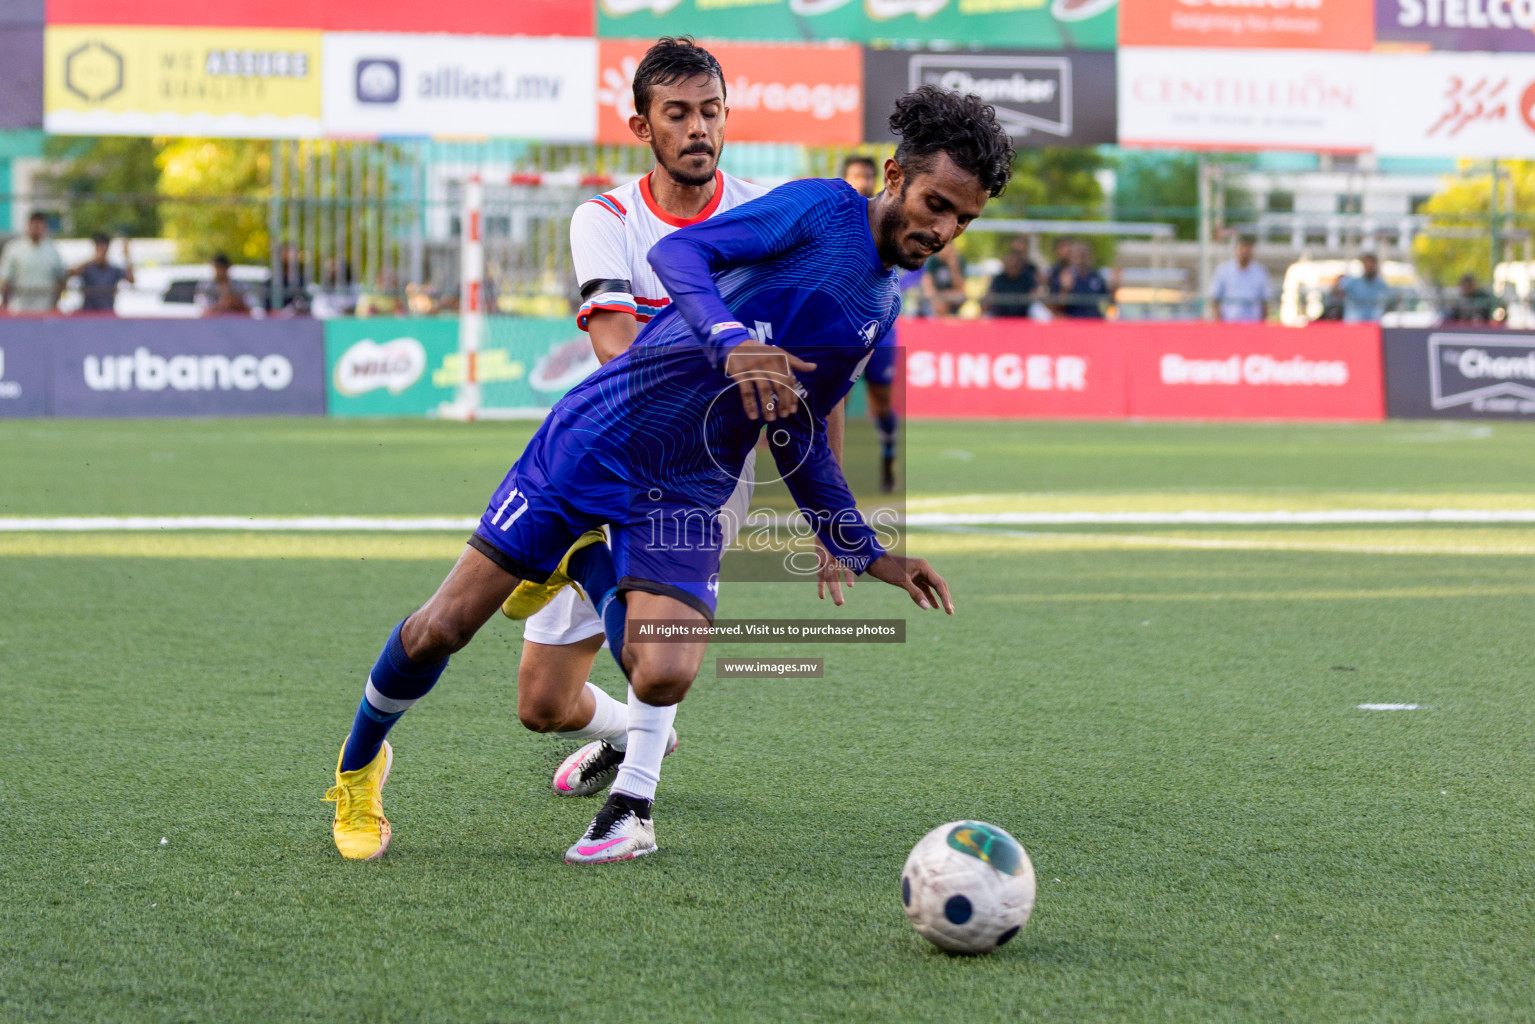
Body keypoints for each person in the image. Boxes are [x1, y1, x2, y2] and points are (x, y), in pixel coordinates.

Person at [323, 84, 1011, 865]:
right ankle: (357, 769)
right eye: (935, 203)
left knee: (663, 675)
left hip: (685, 486)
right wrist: (728, 340)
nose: (943, 229)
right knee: (441, 628)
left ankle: (583, 562)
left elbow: (802, 431)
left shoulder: (880, 306)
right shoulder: (822, 209)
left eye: (963, 219)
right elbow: (677, 253)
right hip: (601, 438)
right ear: (892, 175)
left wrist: (864, 549)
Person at [493, 37, 774, 803]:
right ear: (641, 127)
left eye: (710, 112)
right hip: (614, 449)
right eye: (677, 114)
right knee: (543, 706)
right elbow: (615, 344)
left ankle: (635, 801)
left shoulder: (763, 218)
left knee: (658, 648)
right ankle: (637, 730)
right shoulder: (606, 217)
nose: (697, 130)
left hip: (710, 464)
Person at [842, 153, 901, 492]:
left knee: (881, 403)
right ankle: (835, 471)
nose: (862, 182)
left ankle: (889, 454)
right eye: (855, 176)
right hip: (843, 334)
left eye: (866, 176)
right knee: (836, 403)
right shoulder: (836, 221)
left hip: (881, 335)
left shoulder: (887, 219)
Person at [0, 212, 67, 314]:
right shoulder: (14, 249)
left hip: (45, 310)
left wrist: (55, 304)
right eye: (33, 223)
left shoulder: (52, 251)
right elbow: (5, 280)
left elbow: (61, 279)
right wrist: (4, 305)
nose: (36, 227)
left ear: (45, 226)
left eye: (39, 224)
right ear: (27, 225)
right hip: (18, 309)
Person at [1209, 237, 1269, 323]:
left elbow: (1265, 301)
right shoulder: (1223, 271)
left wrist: (1263, 324)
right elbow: (1215, 299)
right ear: (1236, 249)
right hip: (1229, 323)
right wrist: (1219, 322)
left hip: (1253, 323)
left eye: (1248, 248)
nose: (1245, 251)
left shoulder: (1260, 272)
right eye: (1242, 247)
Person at [71, 233, 134, 314]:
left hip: (106, 316)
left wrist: (127, 256)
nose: (101, 253)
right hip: (88, 315)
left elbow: (131, 279)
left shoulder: (113, 270)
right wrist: (92, 260)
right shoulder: (88, 268)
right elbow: (71, 273)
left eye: (103, 249)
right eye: (99, 249)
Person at [983, 236, 1040, 318]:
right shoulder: (999, 279)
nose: (1012, 266)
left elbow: (1035, 297)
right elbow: (988, 298)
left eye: (1015, 264)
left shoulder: (1027, 277)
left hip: (1024, 316)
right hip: (1001, 316)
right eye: (1010, 263)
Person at [1056, 241, 1109, 319]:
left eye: (1084, 253)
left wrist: (1115, 285)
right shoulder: (1063, 275)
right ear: (1070, 256)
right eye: (1078, 253)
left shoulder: (1097, 276)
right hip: (1073, 321)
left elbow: (1108, 302)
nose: (1081, 256)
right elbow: (1056, 306)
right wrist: (1065, 288)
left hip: (1094, 321)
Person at [1340, 253, 1394, 323]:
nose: (1369, 265)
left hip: (1374, 326)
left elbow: (1389, 304)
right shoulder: (1352, 283)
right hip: (1353, 325)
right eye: (1367, 262)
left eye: (1372, 262)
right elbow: (1338, 295)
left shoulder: (1382, 285)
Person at [922, 241, 967, 316]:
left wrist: (954, 268)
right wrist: (943, 296)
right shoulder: (932, 262)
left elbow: (961, 290)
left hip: (951, 298)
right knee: (939, 304)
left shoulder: (959, 262)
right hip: (936, 299)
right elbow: (929, 290)